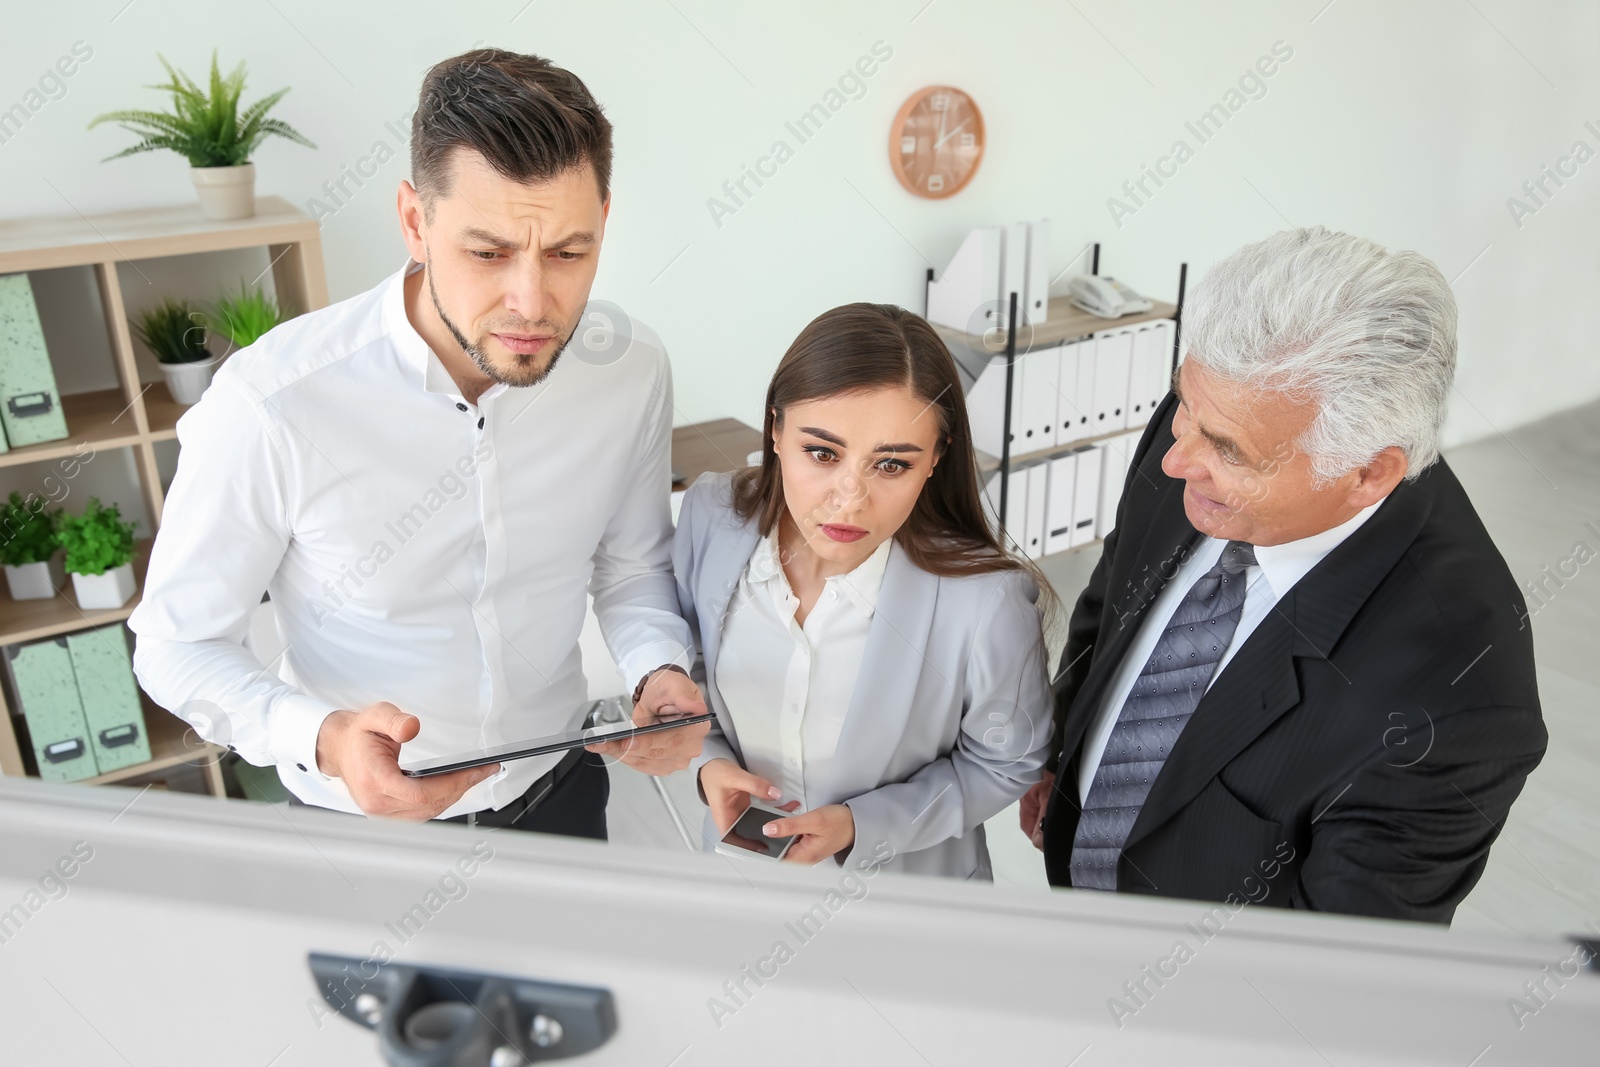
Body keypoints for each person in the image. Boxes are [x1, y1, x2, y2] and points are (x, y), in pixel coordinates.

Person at [129, 49, 708, 839]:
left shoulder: (631, 371)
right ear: (415, 222)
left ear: (604, 221)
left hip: (560, 792)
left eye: (569, 252)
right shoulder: (271, 402)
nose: (532, 302)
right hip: (361, 827)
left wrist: (659, 668)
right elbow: (175, 644)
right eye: (488, 252)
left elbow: (632, 565)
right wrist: (322, 737)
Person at [1020, 226, 1546, 922]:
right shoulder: (1213, 419)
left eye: (1229, 451)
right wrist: (1063, 743)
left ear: (1368, 473)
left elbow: (1328, 981)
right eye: (1185, 408)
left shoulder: (1458, 702)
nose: (1176, 461)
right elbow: (1115, 592)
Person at [673, 302, 1055, 879]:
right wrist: (709, 763)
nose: (849, 498)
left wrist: (863, 824)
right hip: (737, 879)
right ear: (775, 430)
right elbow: (688, 665)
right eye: (822, 454)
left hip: (901, 911)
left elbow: (1007, 763)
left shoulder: (987, 600)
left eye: (892, 465)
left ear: (936, 459)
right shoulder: (710, 516)